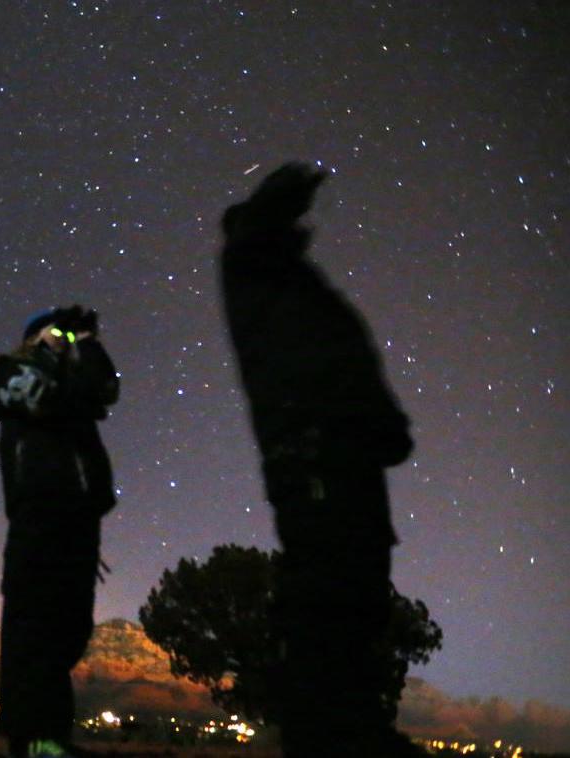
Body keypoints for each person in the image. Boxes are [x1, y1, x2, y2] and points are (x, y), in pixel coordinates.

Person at [220, 163, 422, 757]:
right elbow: (252, 238)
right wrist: (277, 198)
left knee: (357, 598)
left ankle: (352, 728)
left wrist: (381, 425)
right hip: (316, 456)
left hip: (345, 454)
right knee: (329, 596)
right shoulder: (257, 272)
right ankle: (328, 737)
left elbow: (341, 358)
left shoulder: (291, 284)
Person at [0, 305, 119, 758]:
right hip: (40, 515)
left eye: (69, 333)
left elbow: (105, 388)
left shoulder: (77, 386)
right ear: (31, 339)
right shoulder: (13, 374)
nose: (64, 338)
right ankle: (32, 739)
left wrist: (88, 342)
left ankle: (52, 738)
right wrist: (63, 357)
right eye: (55, 331)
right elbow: (61, 401)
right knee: (33, 629)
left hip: (80, 522)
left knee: (68, 631)